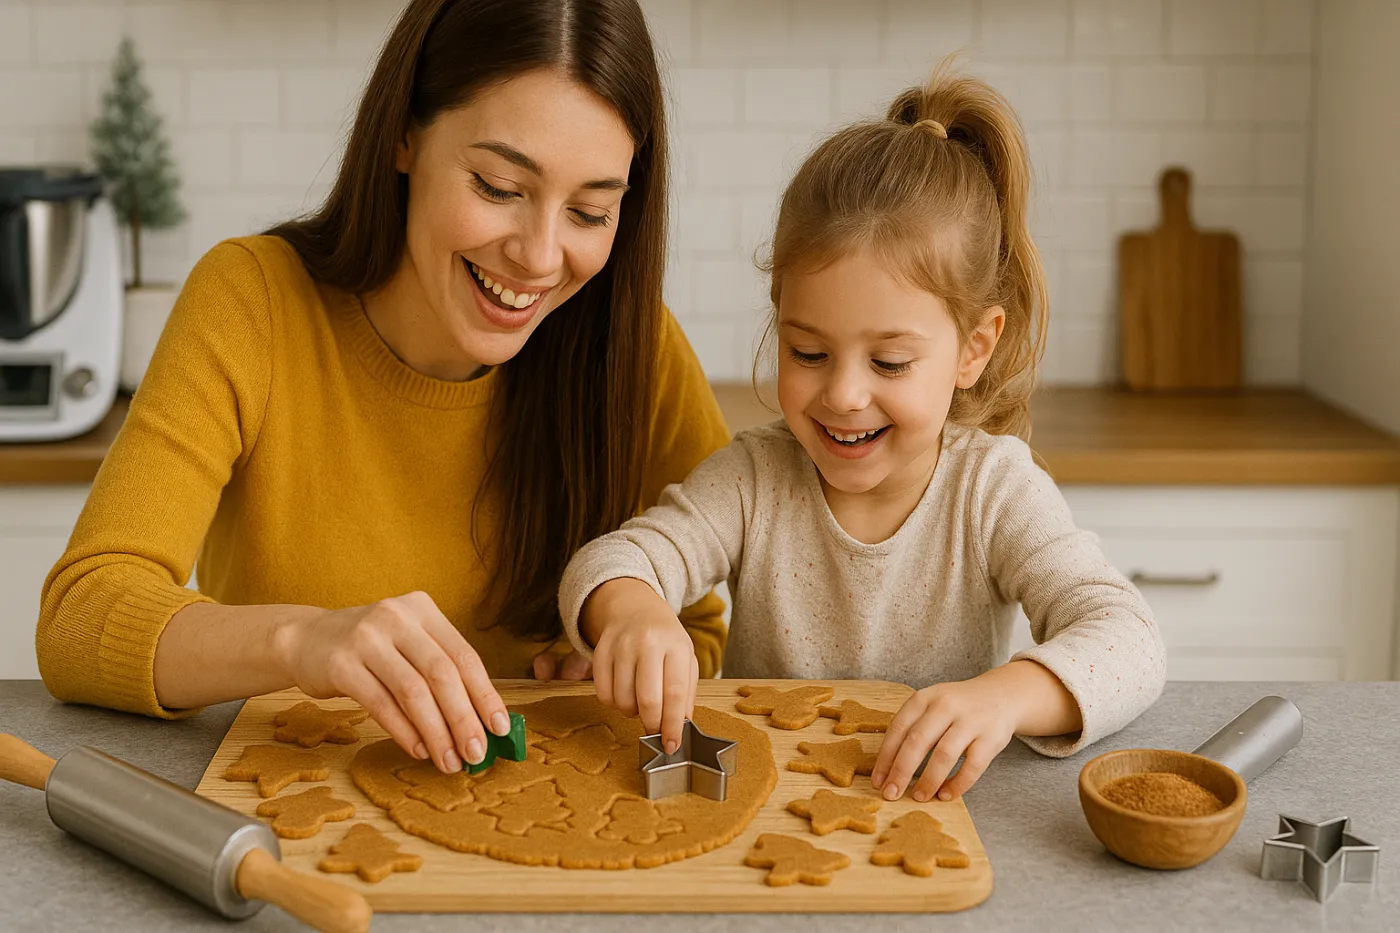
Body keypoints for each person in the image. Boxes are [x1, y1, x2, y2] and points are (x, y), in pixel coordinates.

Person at [36, 0, 729, 778]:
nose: (539, 256)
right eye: (499, 186)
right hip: (301, 822)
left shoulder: (632, 347)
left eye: (590, 211)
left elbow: (703, 619)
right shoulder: (253, 302)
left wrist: (633, 665)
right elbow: (81, 617)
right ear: (405, 135)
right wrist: (305, 642)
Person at [557, 67, 1167, 797]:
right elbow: (615, 559)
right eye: (807, 352)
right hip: (767, 813)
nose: (843, 395)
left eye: (889, 360)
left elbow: (1130, 640)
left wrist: (1005, 696)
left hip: (935, 815)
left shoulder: (993, 490)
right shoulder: (756, 478)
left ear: (975, 347)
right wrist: (635, 612)